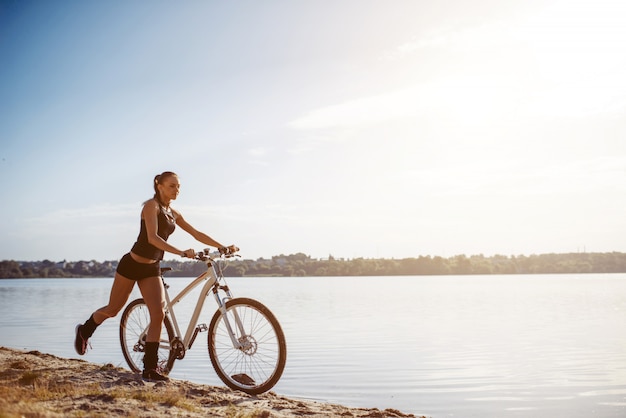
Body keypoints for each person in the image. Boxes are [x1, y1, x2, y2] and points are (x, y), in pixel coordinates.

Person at [74, 171, 237, 382]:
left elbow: (196, 233)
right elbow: (153, 238)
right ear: (159, 185)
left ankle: (150, 368)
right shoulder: (151, 206)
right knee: (113, 309)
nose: (176, 190)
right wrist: (180, 252)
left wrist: (222, 246)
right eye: (172, 186)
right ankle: (85, 330)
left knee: (158, 314)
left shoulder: (174, 213)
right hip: (132, 265)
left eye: (178, 186)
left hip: (151, 268)